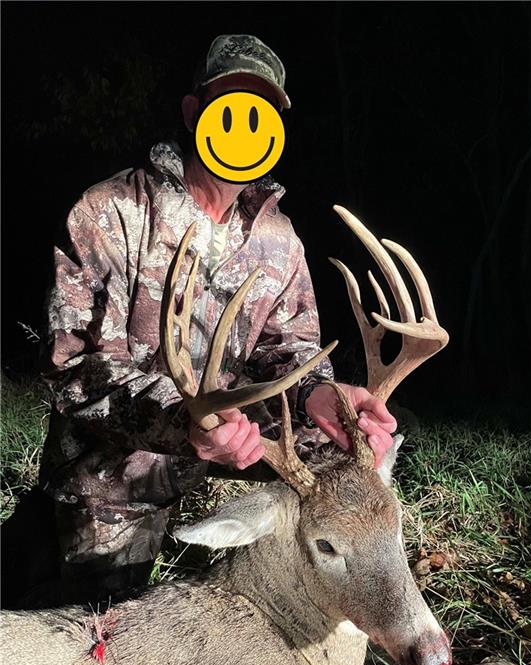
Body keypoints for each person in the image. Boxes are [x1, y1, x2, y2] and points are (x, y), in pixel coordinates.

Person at [38, 34, 397, 606]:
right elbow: (75, 370)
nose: (244, 127)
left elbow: (290, 350)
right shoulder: (110, 212)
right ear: (193, 112)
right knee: (99, 629)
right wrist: (187, 420)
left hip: (236, 443)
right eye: (230, 106)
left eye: (261, 114)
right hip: (115, 472)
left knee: (337, 458)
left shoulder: (278, 238)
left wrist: (318, 393)